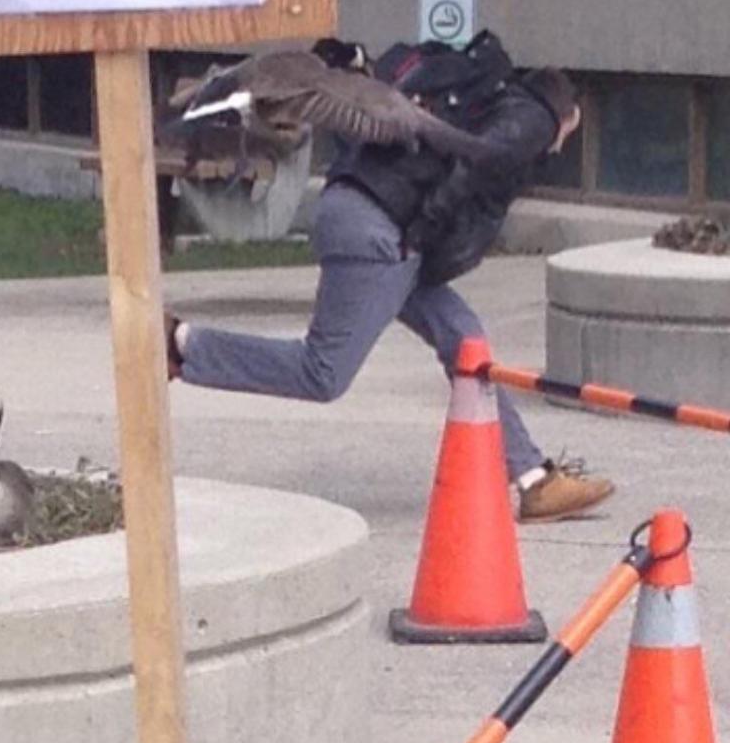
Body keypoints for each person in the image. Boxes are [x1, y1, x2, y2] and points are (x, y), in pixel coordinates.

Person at [165, 60, 614, 523]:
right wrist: (418, 235)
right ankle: (180, 344)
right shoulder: (532, 120)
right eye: (569, 132)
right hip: (386, 231)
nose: (559, 148)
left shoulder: (480, 97)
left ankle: (533, 480)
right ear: (567, 115)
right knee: (322, 372)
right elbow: (470, 171)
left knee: (465, 341)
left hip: (364, 211)